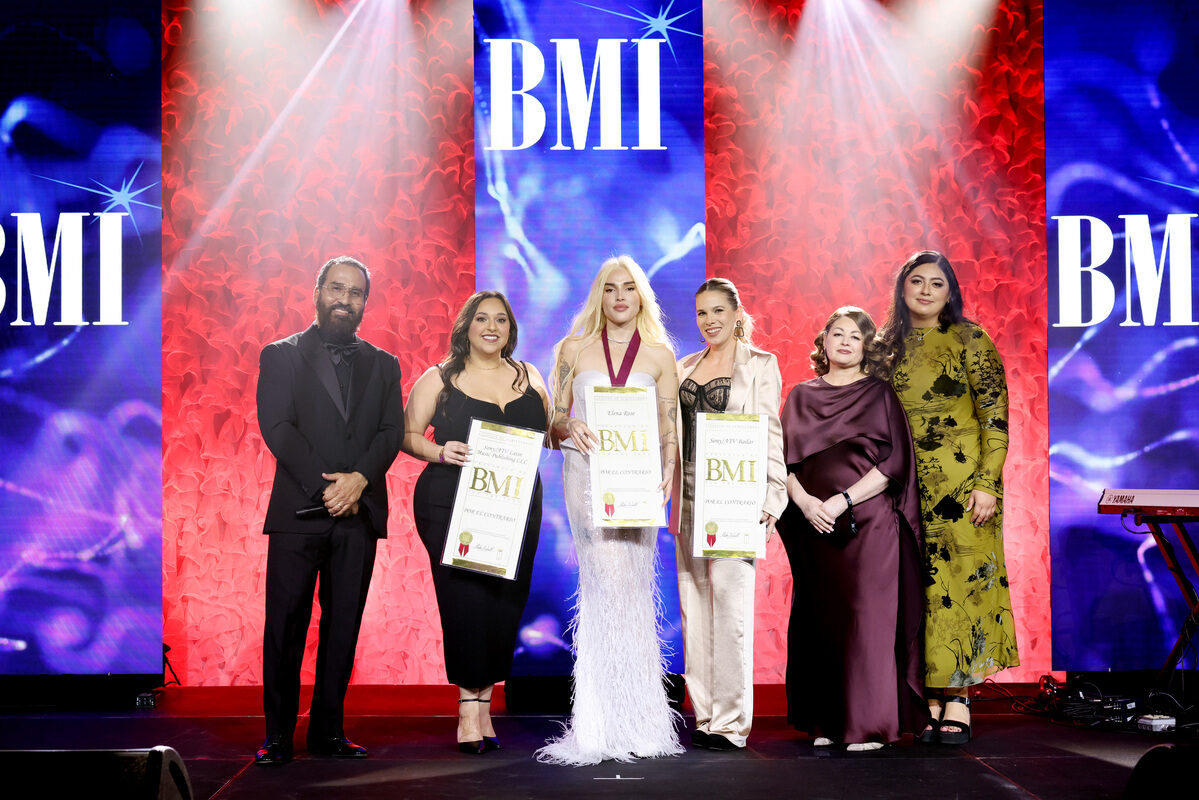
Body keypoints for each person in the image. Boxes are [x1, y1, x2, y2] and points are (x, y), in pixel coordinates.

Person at [254, 256, 404, 765]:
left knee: (343, 627)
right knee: (285, 626)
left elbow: (391, 431)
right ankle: (277, 735)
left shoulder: (384, 364)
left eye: (356, 292)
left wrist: (359, 480)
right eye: (337, 289)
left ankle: (328, 731)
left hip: (359, 514)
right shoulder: (280, 356)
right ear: (317, 292)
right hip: (298, 513)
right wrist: (330, 489)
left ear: (365, 302)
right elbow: (277, 428)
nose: (345, 299)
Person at [536, 255, 683, 765]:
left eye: (629, 288)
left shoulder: (660, 355)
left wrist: (669, 467)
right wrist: (567, 425)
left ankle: (640, 721)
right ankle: (599, 725)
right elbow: (553, 421)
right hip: (587, 477)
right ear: (598, 296)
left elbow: (669, 425)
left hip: (639, 480)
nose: (620, 297)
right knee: (603, 584)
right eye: (610, 288)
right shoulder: (572, 349)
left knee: (633, 586)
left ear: (642, 296)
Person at [880, 250, 1019, 745]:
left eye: (936, 283)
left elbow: (995, 415)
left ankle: (957, 696)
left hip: (962, 490)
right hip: (900, 489)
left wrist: (988, 483)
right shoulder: (884, 347)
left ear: (950, 292)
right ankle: (928, 695)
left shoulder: (969, 339)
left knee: (959, 587)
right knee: (915, 592)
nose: (924, 291)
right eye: (916, 281)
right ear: (902, 288)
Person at [402, 291, 549, 754]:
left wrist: (575, 427)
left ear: (510, 329)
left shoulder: (530, 375)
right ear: (466, 326)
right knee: (466, 601)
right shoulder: (439, 377)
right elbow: (406, 435)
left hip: (517, 505)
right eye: (482, 318)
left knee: (505, 600)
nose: (491, 327)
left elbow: (550, 432)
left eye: (500, 320)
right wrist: (439, 450)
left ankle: (484, 707)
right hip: (451, 504)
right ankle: (468, 710)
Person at [776, 307, 925, 751]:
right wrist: (806, 504)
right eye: (837, 334)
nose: (844, 342)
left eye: (855, 336)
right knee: (823, 618)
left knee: (866, 618)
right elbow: (780, 462)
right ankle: (827, 721)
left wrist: (843, 500)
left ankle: (869, 725)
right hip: (814, 525)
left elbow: (893, 464)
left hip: (869, 524)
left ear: (866, 347)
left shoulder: (879, 393)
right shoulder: (800, 396)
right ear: (823, 341)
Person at [669, 279, 786, 750]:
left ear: (737, 313)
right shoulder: (683, 367)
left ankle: (732, 722)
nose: (710, 320)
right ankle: (706, 715)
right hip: (688, 497)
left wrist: (772, 496)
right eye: (702, 312)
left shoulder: (760, 364)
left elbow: (770, 432)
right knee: (694, 606)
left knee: (730, 606)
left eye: (718, 310)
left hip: (735, 495)